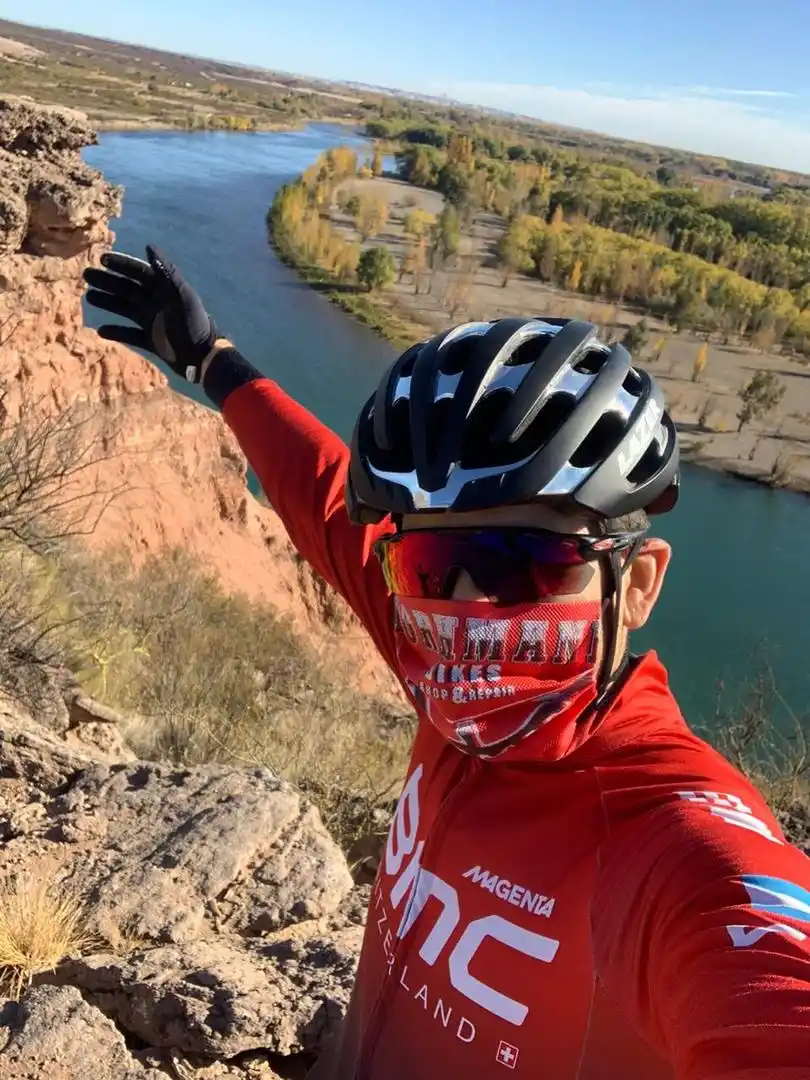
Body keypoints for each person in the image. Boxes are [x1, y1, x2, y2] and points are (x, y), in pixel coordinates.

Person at [84, 246, 810, 1080]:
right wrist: (212, 361)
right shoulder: (449, 676)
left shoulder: (675, 847)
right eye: (431, 569)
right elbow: (324, 498)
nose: (468, 611)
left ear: (637, 583)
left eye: (521, 562)